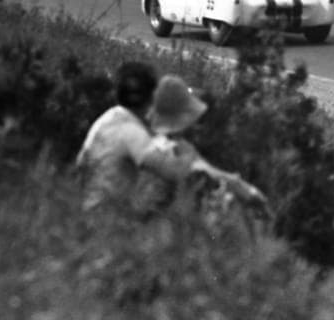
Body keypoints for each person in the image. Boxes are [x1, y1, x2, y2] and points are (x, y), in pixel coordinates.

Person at [75, 63, 268, 215]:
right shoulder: (131, 132)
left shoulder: (113, 119)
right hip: (105, 220)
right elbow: (179, 171)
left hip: (95, 211)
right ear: (151, 97)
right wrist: (239, 186)